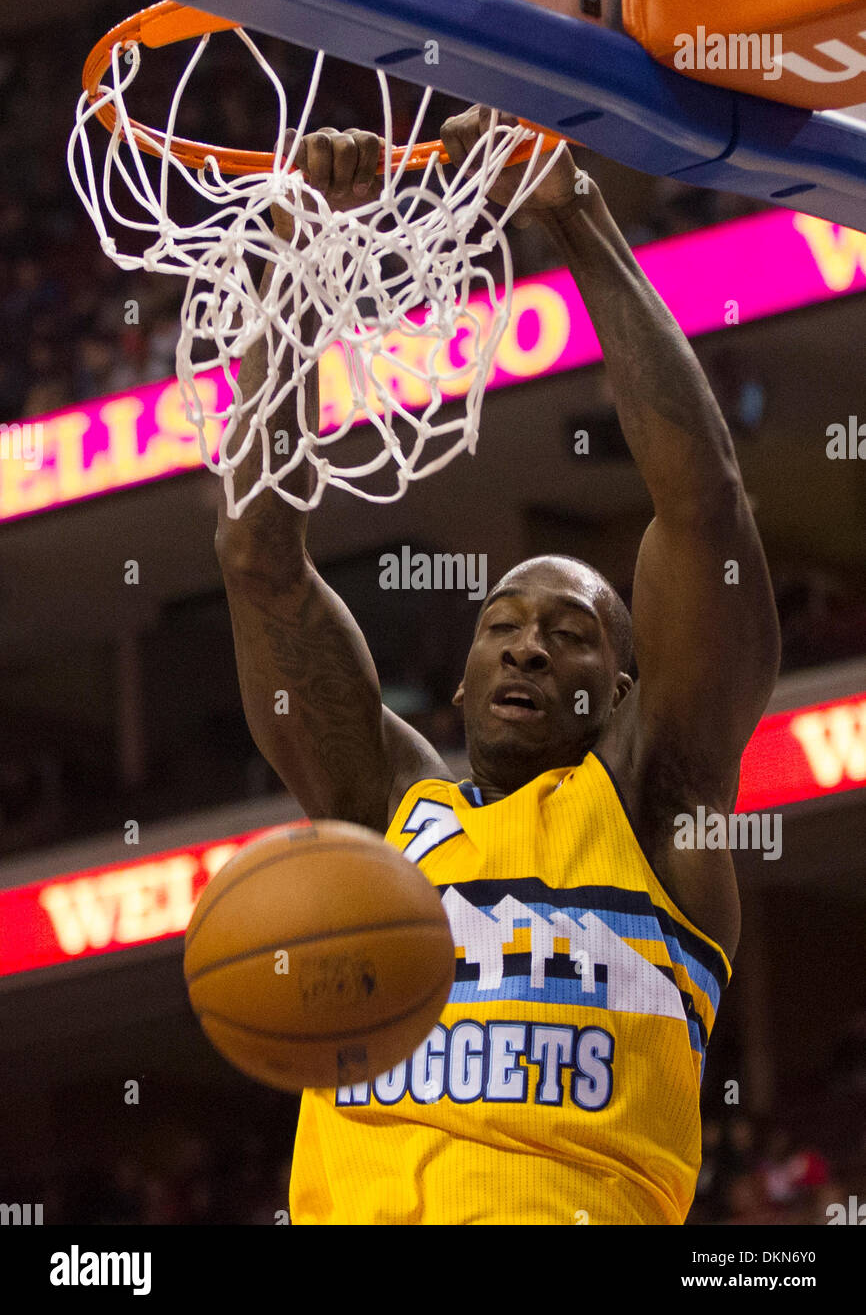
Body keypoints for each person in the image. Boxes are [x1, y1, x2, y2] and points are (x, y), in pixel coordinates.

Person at [215, 110, 780, 1225]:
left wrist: (572, 213)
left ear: (619, 691)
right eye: (500, 626)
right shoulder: (390, 811)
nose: (526, 642)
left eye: (569, 633)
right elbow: (258, 558)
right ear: (462, 682)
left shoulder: (655, 807)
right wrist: (291, 266)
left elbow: (703, 506)